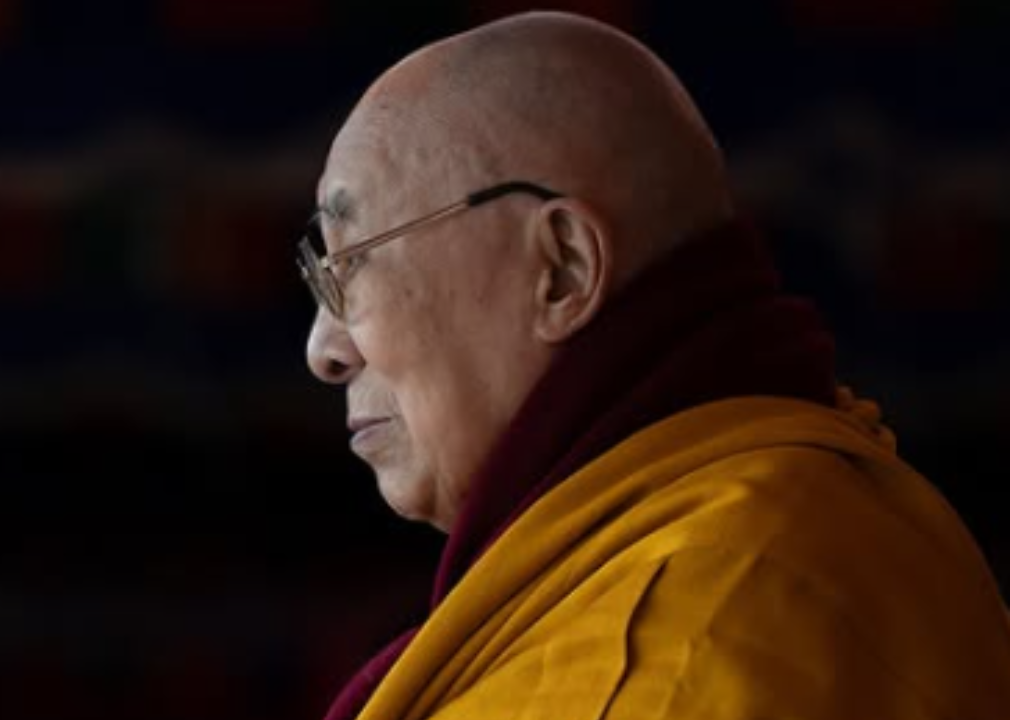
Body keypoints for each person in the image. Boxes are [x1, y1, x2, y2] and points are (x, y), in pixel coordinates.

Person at [297, 10, 1010, 720]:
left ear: (563, 270)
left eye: (350, 263)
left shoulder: (713, 622)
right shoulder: (783, 530)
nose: (323, 350)